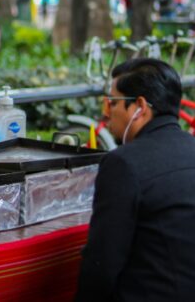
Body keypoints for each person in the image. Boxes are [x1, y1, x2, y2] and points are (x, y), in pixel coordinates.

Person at [76, 58, 195, 301]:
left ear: (139, 107)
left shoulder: (124, 163)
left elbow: (102, 264)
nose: (106, 113)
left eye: (113, 103)